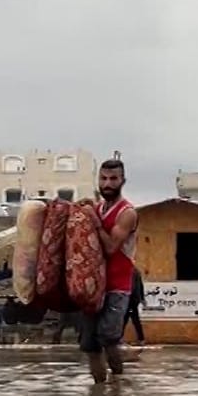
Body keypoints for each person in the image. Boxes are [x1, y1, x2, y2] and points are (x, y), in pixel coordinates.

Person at [77, 159, 139, 383]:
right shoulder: (97, 208)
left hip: (117, 286)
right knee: (90, 345)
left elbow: (112, 247)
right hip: (93, 285)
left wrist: (94, 221)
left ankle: (119, 385)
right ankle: (99, 394)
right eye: (103, 178)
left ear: (123, 181)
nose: (108, 183)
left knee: (108, 337)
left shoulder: (127, 212)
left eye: (113, 179)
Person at [126, 266, 147, 345]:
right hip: (135, 299)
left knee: (128, 319)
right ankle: (141, 339)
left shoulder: (131, 271)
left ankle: (141, 339)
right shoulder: (136, 271)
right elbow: (141, 286)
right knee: (134, 319)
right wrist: (142, 298)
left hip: (131, 299)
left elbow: (133, 286)